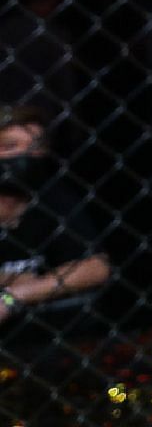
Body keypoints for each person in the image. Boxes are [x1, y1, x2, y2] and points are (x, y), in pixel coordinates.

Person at [0, 104, 111, 339]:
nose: (25, 157)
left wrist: (13, 295)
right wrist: (47, 281)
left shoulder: (53, 196)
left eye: (35, 147)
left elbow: (96, 267)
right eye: (10, 146)